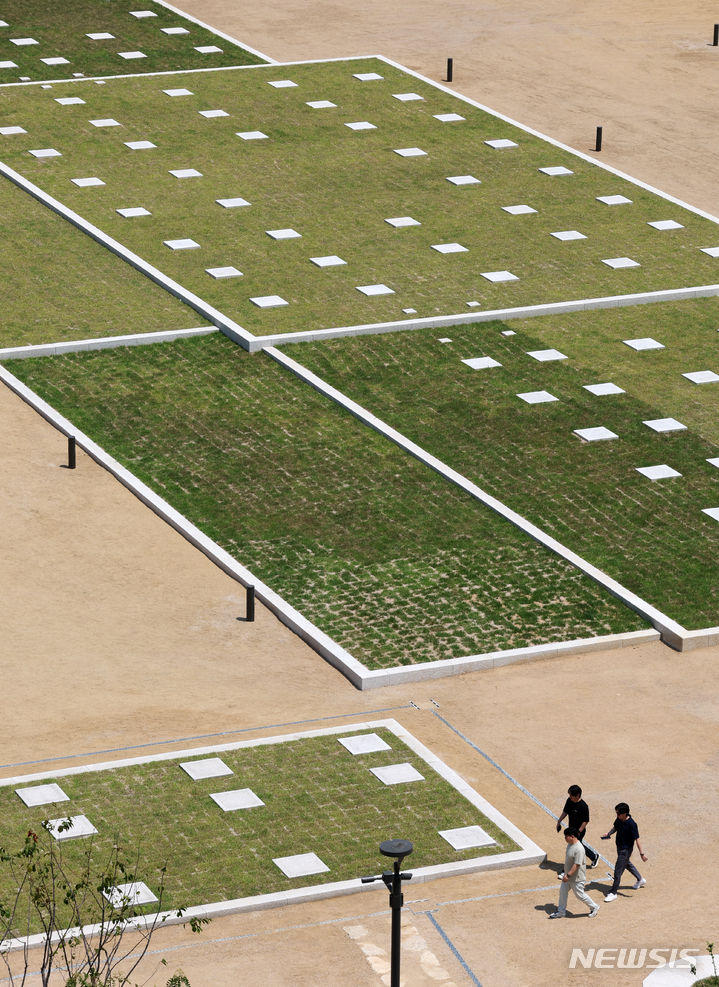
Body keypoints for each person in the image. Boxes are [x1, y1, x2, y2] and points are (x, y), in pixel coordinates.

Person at [601, 802, 648, 902]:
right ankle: (640, 879)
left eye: (618, 814)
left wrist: (642, 854)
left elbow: (637, 839)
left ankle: (613, 892)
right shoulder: (619, 819)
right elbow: (615, 827)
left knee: (618, 871)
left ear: (625, 813)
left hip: (625, 850)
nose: (617, 815)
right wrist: (608, 833)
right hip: (619, 847)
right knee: (627, 864)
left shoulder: (632, 824)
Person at [549, 828, 600, 919]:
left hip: (576, 878)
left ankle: (594, 907)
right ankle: (561, 912)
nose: (565, 838)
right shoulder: (570, 844)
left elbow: (577, 865)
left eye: (566, 836)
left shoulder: (579, 849)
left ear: (572, 836)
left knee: (580, 895)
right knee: (563, 892)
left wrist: (568, 875)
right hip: (568, 876)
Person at [556, 784, 599, 867]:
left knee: (574, 847)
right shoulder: (569, 801)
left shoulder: (583, 806)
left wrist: (579, 831)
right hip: (571, 828)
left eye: (571, 795)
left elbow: (585, 821)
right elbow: (565, 811)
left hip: (579, 830)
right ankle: (594, 856)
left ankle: (568, 868)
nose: (570, 797)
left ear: (577, 795)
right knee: (579, 845)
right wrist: (559, 821)